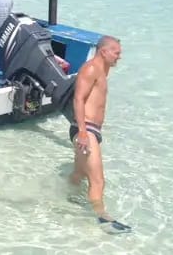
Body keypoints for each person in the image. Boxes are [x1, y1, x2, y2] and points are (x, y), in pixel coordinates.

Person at [68, 35, 131, 233]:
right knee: (98, 180)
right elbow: (78, 99)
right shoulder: (91, 69)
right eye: (116, 53)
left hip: (90, 129)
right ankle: (103, 219)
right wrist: (83, 132)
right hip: (85, 129)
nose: (119, 57)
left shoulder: (103, 70)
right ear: (103, 52)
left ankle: (67, 199)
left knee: (80, 174)